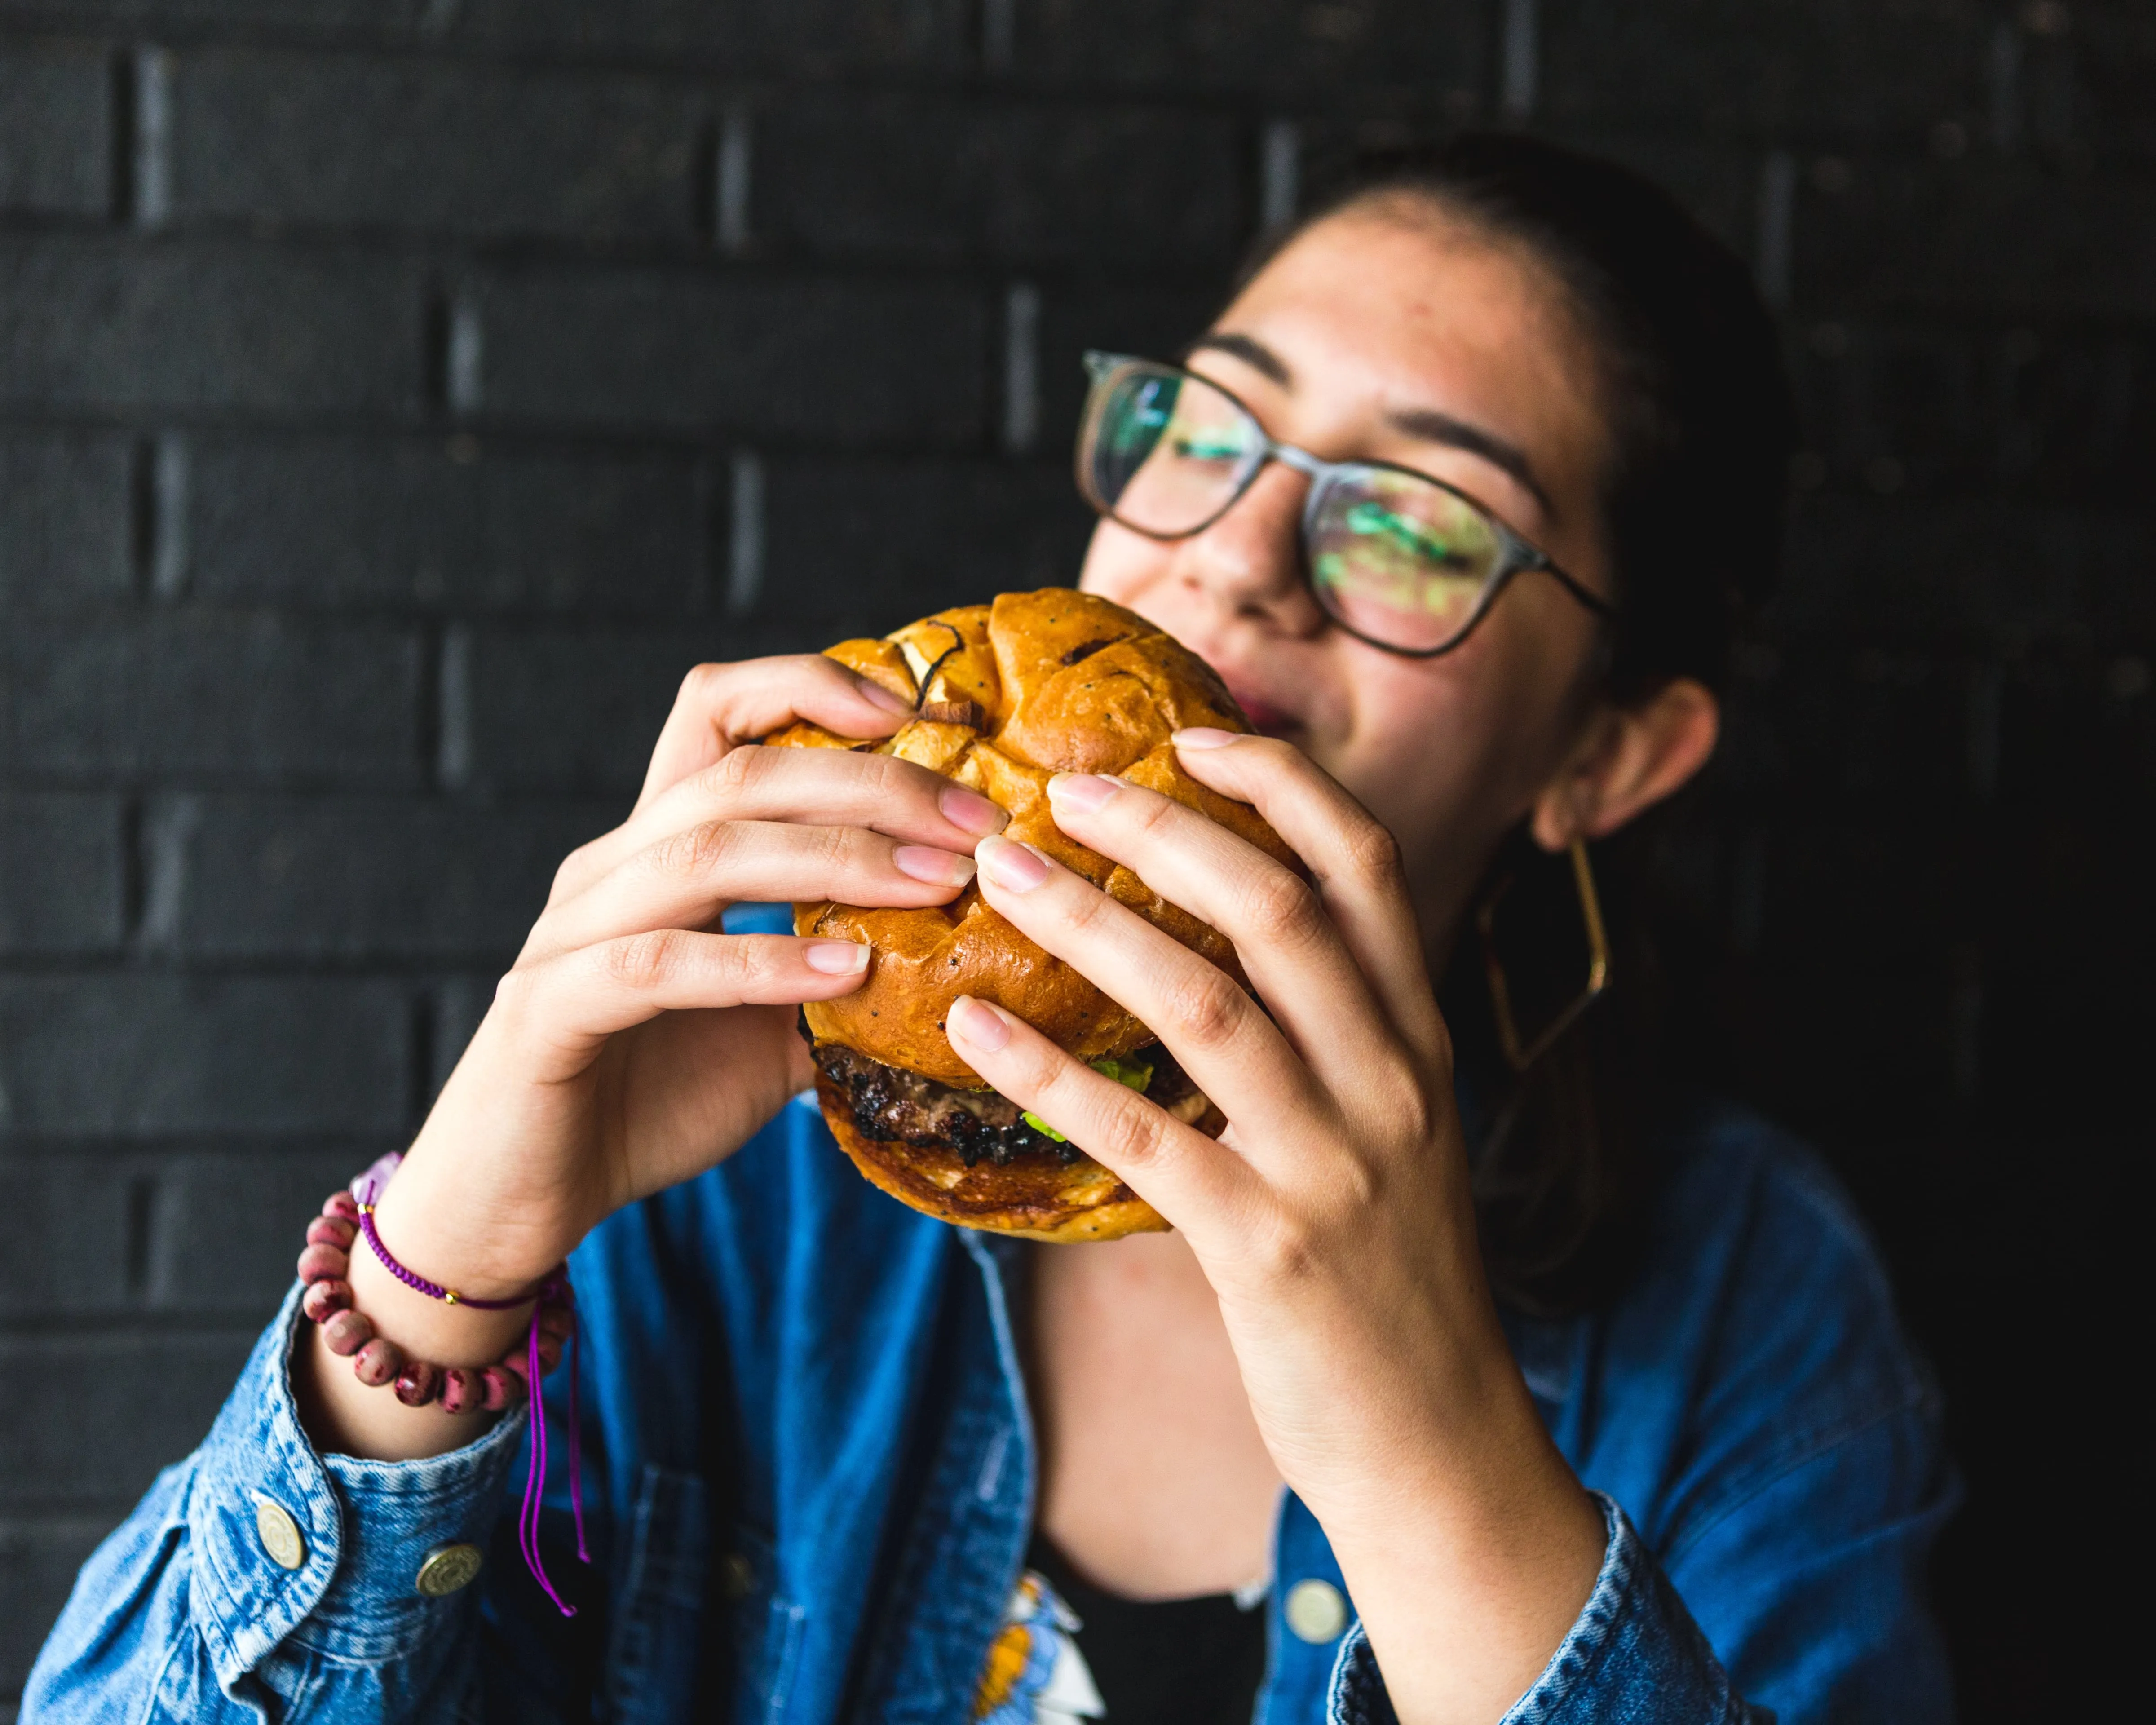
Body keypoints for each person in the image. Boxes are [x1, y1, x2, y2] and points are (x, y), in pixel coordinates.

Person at [24, 134, 1953, 1725]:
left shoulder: (1747, 1316)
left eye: (1420, 525)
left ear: (1607, 759)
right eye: (1206, 432)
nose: (1234, 560)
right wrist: (443, 1272)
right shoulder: (738, 1169)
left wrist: (1425, 1442)